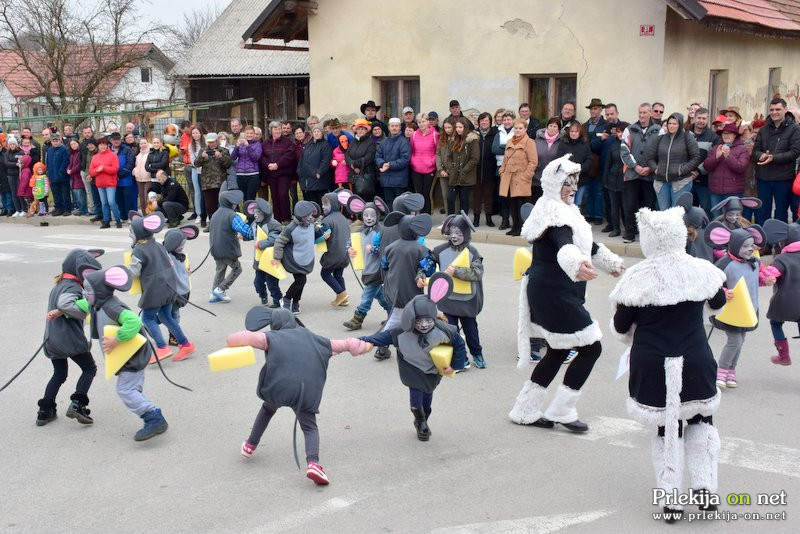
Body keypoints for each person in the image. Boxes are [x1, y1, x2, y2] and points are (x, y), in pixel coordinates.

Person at [610, 206, 726, 523]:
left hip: (652, 363)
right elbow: (718, 304)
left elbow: (620, 328)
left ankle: (670, 500)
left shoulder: (636, 277)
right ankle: (704, 489)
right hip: (695, 358)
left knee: (667, 428)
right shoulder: (702, 270)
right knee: (702, 420)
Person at [509, 155, 624, 432]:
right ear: (553, 183)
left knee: (559, 350)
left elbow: (587, 243)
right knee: (591, 346)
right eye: (567, 182)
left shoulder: (565, 209)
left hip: (558, 291)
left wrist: (612, 264)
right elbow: (565, 246)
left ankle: (524, 409)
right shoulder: (554, 214)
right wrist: (577, 264)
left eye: (575, 181)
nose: (573, 187)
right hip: (554, 292)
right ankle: (562, 409)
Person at [230, 307, 372, 484]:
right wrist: (365, 346)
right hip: (305, 392)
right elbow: (346, 344)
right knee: (309, 427)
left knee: (267, 409)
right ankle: (313, 464)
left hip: (278, 388)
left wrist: (233, 342)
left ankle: (250, 445)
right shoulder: (318, 340)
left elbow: (241, 338)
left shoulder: (271, 337)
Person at [359, 274, 467, 441]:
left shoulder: (445, 331)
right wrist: (360, 341)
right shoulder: (402, 331)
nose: (423, 325)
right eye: (419, 321)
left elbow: (459, 345)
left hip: (432, 369)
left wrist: (455, 365)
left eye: (428, 321)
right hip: (411, 366)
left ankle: (424, 417)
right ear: (410, 319)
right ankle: (420, 420)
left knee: (427, 400)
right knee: (416, 401)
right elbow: (380, 338)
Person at [83, 265, 169, 442]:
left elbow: (134, 321)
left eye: (88, 290)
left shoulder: (111, 307)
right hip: (125, 357)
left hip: (133, 357)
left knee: (125, 389)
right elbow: (83, 304)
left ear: (99, 291)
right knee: (132, 388)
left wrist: (117, 339)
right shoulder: (98, 304)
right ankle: (148, 411)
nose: (85, 294)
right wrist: (62, 309)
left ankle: (154, 418)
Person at [37, 249, 102, 426]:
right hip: (69, 340)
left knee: (59, 373)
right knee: (90, 369)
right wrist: (85, 308)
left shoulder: (58, 285)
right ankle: (78, 404)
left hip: (52, 339)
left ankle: (45, 410)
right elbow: (65, 304)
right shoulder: (72, 287)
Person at [705, 222, 773, 388]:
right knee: (735, 340)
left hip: (749, 309)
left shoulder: (755, 263)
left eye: (752, 246)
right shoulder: (725, 263)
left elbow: (756, 282)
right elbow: (712, 283)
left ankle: (731, 371)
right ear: (734, 246)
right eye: (745, 246)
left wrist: (766, 280)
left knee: (740, 340)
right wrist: (724, 291)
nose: (750, 249)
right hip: (731, 310)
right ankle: (721, 370)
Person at [126, 212, 196, 363]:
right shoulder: (158, 245)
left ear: (139, 233)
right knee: (166, 317)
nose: (130, 236)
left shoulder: (138, 250)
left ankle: (162, 347)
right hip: (169, 288)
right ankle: (185, 344)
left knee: (148, 319)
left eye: (131, 233)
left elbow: (134, 271)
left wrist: (122, 270)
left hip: (154, 291)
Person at [430, 214, 486, 369]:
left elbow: (477, 273)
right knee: (450, 332)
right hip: (447, 300)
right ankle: (461, 358)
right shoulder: (440, 250)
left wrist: (457, 271)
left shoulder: (472, 252)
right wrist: (421, 274)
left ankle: (477, 353)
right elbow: (427, 263)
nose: (454, 236)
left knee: (471, 332)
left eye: (459, 233)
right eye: (452, 232)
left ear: (466, 234)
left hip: (468, 301)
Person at [343, 196, 391, 331]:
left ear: (378, 215)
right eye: (366, 215)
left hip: (377, 269)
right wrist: (349, 249)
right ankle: (393, 314)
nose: (369, 218)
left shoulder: (381, 231)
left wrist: (374, 249)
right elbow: (350, 242)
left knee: (367, 295)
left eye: (372, 215)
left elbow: (387, 249)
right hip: (366, 268)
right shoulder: (360, 231)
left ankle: (358, 319)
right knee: (379, 294)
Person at [752, 98, 800, 224]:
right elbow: (755, 150)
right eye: (772, 110)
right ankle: (762, 241)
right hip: (763, 177)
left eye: (778, 109)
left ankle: (780, 242)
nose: (774, 112)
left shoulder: (795, 129)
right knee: (762, 212)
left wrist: (773, 157)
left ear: (785, 110)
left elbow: (795, 152)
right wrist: (760, 155)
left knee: (781, 213)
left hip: (783, 178)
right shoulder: (763, 129)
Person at [272, 201, 325, 315]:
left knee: (301, 281)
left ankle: (295, 303)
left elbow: (317, 233)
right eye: (307, 216)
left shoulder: (311, 224)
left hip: (306, 258)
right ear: (300, 216)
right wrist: (277, 257)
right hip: (294, 259)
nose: (310, 217)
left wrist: (324, 232)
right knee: (301, 280)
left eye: (310, 215)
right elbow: (279, 241)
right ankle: (286, 299)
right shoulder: (290, 228)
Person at [620, 103, 661, 241]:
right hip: (632, 174)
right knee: (630, 205)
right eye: (640, 112)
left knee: (648, 207)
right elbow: (624, 151)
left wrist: (650, 167)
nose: (642, 115)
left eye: (645, 113)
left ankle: (647, 236)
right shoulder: (629, 129)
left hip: (650, 175)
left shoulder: (659, 130)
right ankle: (630, 233)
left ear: (650, 113)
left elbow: (660, 152)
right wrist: (636, 166)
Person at [762, 219, 800, 365]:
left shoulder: (782, 259)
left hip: (785, 303)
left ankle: (784, 356)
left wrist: (768, 278)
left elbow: (771, 274)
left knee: (776, 323)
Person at [648, 113, 701, 210]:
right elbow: (650, 158)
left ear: (680, 124)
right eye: (669, 123)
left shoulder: (687, 137)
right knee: (664, 212)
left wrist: (681, 170)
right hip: (661, 182)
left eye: (675, 124)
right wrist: (656, 169)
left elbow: (696, 157)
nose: (671, 126)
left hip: (681, 182)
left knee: (677, 214)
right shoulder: (660, 139)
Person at [209, 190, 253, 303]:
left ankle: (214, 293)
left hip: (215, 248)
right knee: (237, 269)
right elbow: (246, 231)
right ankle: (221, 289)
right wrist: (255, 231)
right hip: (227, 250)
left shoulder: (215, 214)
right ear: (230, 203)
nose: (235, 204)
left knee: (220, 269)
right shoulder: (232, 215)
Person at [498, 118, 537, 236]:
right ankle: (514, 226)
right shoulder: (510, 141)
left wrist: (525, 177)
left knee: (521, 205)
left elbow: (533, 162)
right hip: (508, 178)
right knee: (512, 204)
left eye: (520, 128)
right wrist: (502, 172)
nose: (518, 130)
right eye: (516, 128)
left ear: (525, 129)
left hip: (521, 179)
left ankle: (521, 228)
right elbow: (505, 159)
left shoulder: (529, 142)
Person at [705, 123, 750, 217]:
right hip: (716, 191)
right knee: (717, 219)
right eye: (724, 133)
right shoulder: (715, 148)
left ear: (735, 135)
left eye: (729, 133)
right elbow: (707, 167)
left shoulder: (742, 149)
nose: (726, 135)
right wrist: (716, 158)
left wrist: (728, 156)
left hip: (734, 192)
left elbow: (741, 168)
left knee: (733, 219)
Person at [244, 198, 283, 307]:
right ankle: (263, 295)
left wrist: (260, 244)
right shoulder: (256, 224)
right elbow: (252, 234)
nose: (255, 215)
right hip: (259, 259)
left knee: (272, 283)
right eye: (254, 212)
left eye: (258, 212)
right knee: (258, 282)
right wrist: (244, 237)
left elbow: (274, 239)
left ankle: (278, 299)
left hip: (270, 260)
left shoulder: (273, 225)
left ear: (265, 213)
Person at [318, 192, 351, 307]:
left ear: (333, 204)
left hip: (334, 254)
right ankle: (344, 297)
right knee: (338, 275)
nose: (323, 206)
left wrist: (317, 234)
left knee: (325, 273)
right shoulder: (343, 218)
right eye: (323, 204)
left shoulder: (327, 221)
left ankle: (341, 293)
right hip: (344, 253)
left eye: (326, 204)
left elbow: (322, 237)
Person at [261, 121, 296, 223]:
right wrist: (268, 165)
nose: (278, 131)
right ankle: (277, 218)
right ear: (271, 131)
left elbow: (289, 155)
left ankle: (286, 218)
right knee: (274, 196)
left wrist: (278, 164)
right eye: (275, 129)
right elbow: (262, 157)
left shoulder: (287, 142)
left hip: (284, 173)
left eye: (279, 129)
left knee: (283, 194)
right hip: (271, 174)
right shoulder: (265, 143)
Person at [443, 117, 479, 215]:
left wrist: (464, 170)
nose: (458, 129)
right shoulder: (453, 140)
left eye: (460, 127)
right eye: (457, 127)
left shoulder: (472, 140)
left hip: (466, 176)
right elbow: (448, 157)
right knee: (450, 198)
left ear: (465, 127)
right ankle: (450, 219)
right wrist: (451, 168)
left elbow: (475, 158)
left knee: (464, 200)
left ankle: (463, 221)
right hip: (454, 175)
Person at [558, 121, 592, 220]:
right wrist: (568, 169)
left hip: (581, 178)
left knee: (578, 203)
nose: (573, 133)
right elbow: (559, 159)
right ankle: (567, 223)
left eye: (576, 131)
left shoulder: (585, 143)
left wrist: (580, 169)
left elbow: (589, 159)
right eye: (572, 131)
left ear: (580, 132)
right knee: (567, 203)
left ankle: (576, 223)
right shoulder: (564, 143)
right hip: (566, 179)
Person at [195, 133, 232, 225]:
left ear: (217, 141)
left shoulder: (224, 150)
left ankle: (223, 224)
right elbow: (196, 164)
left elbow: (228, 164)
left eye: (213, 142)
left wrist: (220, 157)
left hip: (220, 182)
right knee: (210, 206)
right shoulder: (203, 150)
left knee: (222, 204)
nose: (211, 144)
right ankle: (213, 224)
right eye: (209, 142)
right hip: (208, 183)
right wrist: (201, 157)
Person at [601, 121, 631, 238]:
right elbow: (607, 164)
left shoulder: (630, 145)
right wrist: (605, 181)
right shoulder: (612, 145)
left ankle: (628, 229)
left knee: (626, 206)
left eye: (622, 131)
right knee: (614, 207)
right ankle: (616, 228)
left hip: (625, 180)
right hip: (613, 179)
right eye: (618, 131)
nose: (620, 134)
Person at [689, 108, 720, 216]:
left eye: (704, 118)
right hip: (686, 180)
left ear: (707, 120)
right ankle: (690, 233)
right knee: (688, 211)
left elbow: (712, 158)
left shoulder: (713, 137)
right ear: (694, 118)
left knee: (707, 211)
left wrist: (698, 171)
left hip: (704, 182)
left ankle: (705, 232)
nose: (701, 121)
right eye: (699, 118)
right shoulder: (685, 134)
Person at [376, 117, 411, 207]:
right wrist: (382, 164)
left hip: (399, 179)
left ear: (400, 127)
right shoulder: (383, 142)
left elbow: (405, 159)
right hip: (386, 178)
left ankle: (399, 220)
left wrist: (390, 165)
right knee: (389, 201)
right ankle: (390, 219)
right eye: (392, 126)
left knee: (399, 203)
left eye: (396, 126)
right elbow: (377, 156)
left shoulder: (404, 142)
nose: (394, 128)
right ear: (388, 127)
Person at [409, 113, 439, 214]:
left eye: (423, 121)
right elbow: (412, 150)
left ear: (428, 122)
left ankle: (428, 214)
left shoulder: (435, 135)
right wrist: (413, 161)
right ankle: (421, 214)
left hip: (429, 169)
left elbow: (437, 152)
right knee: (419, 193)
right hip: (416, 169)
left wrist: (431, 162)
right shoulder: (414, 135)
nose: (421, 124)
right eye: (419, 122)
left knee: (427, 193)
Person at [297, 125, 333, 207]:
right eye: (314, 131)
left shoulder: (326, 145)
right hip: (307, 178)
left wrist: (320, 172)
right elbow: (302, 159)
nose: (316, 133)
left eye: (318, 131)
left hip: (319, 178)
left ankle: (321, 216)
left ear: (322, 133)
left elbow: (326, 160)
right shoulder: (309, 145)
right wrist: (299, 171)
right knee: (310, 201)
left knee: (320, 200)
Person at [89, 138, 121, 228]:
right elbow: (91, 171)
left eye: (104, 144)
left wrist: (104, 168)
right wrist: (97, 170)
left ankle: (117, 220)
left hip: (110, 183)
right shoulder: (95, 157)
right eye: (100, 145)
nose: (102, 146)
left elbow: (115, 169)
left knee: (111, 201)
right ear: (98, 146)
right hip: (100, 183)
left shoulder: (112, 155)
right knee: (104, 203)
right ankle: (106, 221)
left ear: (107, 145)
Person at [474, 112, 497, 227]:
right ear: (479, 122)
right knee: (476, 195)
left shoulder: (495, 134)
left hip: (490, 169)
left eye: (486, 120)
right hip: (476, 170)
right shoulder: (474, 134)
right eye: (482, 120)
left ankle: (488, 217)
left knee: (489, 195)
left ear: (490, 122)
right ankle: (476, 217)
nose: (484, 122)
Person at [345, 118, 377, 200]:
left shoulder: (371, 142)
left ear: (366, 130)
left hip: (365, 175)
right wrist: (352, 165)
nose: (360, 131)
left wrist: (355, 164)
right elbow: (347, 155)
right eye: (358, 129)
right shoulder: (353, 142)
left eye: (362, 129)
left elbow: (368, 158)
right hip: (353, 175)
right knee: (355, 199)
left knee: (365, 199)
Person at [532, 117, 563, 202]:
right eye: (550, 126)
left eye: (555, 126)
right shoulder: (538, 139)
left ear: (558, 129)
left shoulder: (562, 141)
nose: (552, 128)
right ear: (547, 127)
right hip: (537, 177)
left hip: (553, 179)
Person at [231, 126, 262, 202]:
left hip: (253, 175)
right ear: (244, 134)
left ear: (254, 134)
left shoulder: (257, 144)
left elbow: (256, 158)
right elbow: (233, 157)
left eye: (251, 133)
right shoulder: (240, 144)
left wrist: (248, 146)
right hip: (241, 174)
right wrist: (237, 147)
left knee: (250, 197)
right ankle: (245, 213)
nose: (249, 135)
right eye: (247, 133)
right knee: (244, 198)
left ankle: (250, 213)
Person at [109, 132, 136, 220]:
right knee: (118, 199)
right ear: (111, 140)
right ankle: (122, 216)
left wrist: (120, 174)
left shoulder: (127, 149)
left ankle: (130, 217)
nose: (116, 141)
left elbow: (130, 163)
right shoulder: (108, 150)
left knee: (128, 199)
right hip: (113, 179)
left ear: (121, 140)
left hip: (126, 179)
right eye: (114, 139)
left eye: (118, 139)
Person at [46, 135, 70, 216]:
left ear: (60, 141)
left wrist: (61, 172)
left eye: (57, 141)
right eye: (53, 141)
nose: (55, 143)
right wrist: (48, 172)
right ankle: (58, 208)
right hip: (52, 175)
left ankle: (67, 208)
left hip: (62, 176)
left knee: (65, 193)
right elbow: (47, 162)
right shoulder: (49, 150)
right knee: (55, 193)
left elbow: (65, 161)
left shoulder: (64, 149)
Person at [186, 126, 206, 221]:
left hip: (206, 171)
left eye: (197, 133)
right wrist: (198, 165)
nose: (195, 135)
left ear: (201, 133)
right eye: (193, 133)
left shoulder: (205, 143)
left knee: (205, 193)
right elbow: (192, 159)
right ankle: (199, 214)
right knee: (197, 192)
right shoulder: (191, 145)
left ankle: (207, 214)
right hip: (196, 170)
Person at [4, 136, 24, 216]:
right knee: (13, 192)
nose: (12, 146)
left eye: (13, 144)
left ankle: (23, 209)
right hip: (10, 175)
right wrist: (15, 164)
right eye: (10, 144)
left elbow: (21, 162)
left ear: (16, 144)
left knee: (20, 192)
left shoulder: (20, 152)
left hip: (18, 174)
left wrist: (16, 164)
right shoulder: (7, 153)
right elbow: (6, 163)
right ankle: (17, 210)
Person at [67, 138, 87, 215]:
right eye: (71, 144)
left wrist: (72, 170)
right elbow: (70, 164)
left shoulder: (80, 152)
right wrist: (68, 169)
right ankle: (79, 208)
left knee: (80, 193)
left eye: (74, 143)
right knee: (75, 193)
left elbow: (79, 164)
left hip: (78, 176)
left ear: (78, 143)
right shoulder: (72, 153)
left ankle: (83, 209)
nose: (73, 145)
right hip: (73, 177)